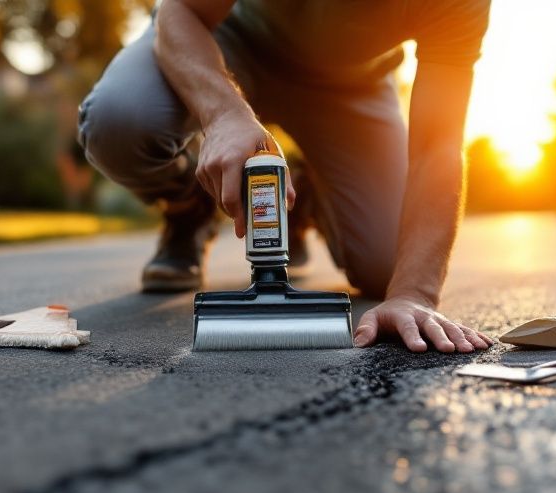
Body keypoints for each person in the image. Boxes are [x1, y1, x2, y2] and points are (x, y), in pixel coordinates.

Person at [78, 0, 493, 353]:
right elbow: (180, 9)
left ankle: (303, 199)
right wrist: (223, 113)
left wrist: (414, 293)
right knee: (119, 122)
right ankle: (189, 207)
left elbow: (437, 146)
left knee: (391, 265)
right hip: (228, 40)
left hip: (351, 83)